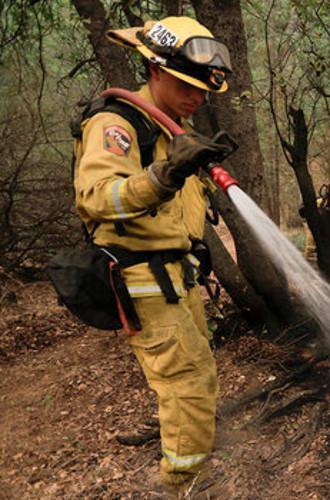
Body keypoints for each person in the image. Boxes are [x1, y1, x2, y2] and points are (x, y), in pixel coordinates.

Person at [73, 16, 235, 492]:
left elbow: (174, 210)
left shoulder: (169, 129)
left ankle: (191, 473)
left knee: (199, 377)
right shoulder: (116, 123)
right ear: (156, 69)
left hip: (175, 277)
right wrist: (164, 175)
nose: (198, 98)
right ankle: (183, 484)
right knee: (185, 388)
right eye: (188, 85)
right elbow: (99, 197)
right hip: (143, 277)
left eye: (204, 90)